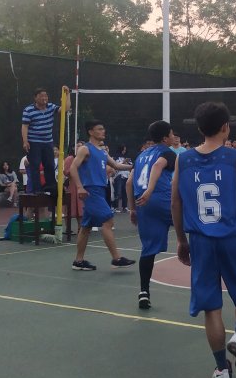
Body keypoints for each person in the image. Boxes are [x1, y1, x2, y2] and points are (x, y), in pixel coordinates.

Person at [172, 102, 236, 378]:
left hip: (200, 241)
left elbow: (176, 203)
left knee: (211, 307)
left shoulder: (183, 159)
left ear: (200, 128)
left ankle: (222, 370)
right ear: (226, 126)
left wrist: (181, 239)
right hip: (232, 237)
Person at [68, 120, 136, 271]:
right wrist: (79, 187)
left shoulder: (103, 152)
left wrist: (134, 166)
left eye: (103, 129)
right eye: (99, 129)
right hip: (91, 190)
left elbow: (116, 165)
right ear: (91, 132)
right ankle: (116, 258)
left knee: (86, 227)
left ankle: (78, 261)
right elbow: (73, 168)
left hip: (100, 189)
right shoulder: (85, 149)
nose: (103, 131)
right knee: (108, 221)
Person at [127, 120, 177, 310]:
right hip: (162, 199)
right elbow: (157, 166)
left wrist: (133, 208)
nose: (174, 137)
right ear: (165, 138)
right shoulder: (167, 153)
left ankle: (144, 292)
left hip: (143, 205)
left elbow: (129, 182)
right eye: (171, 134)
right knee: (197, 228)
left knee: (147, 250)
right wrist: (150, 190)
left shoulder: (141, 155)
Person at [21, 87, 68, 195]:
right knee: (35, 165)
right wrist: (25, 141)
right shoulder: (29, 110)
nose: (44, 98)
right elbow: (25, 126)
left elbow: (64, 109)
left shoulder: (51, 107)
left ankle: (51, 187)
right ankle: (37, 190)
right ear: (35, 98)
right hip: (34, 141)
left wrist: (67, 96)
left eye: (45, 96)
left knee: (49, 164)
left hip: (47, 141)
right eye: (41, 96)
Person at [112, 145, 132, 212]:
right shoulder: (115, 157)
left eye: (125, 150)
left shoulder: (126, 157)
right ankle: (115, 207)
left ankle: (125, 206)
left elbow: (131, 165)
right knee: (118, 192)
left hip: (126, 176)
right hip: (119, 176)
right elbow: (115, 165)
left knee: (125, 192)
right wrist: (123, 162)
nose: (124, 151)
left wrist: (127, 162)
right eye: (123, 150)